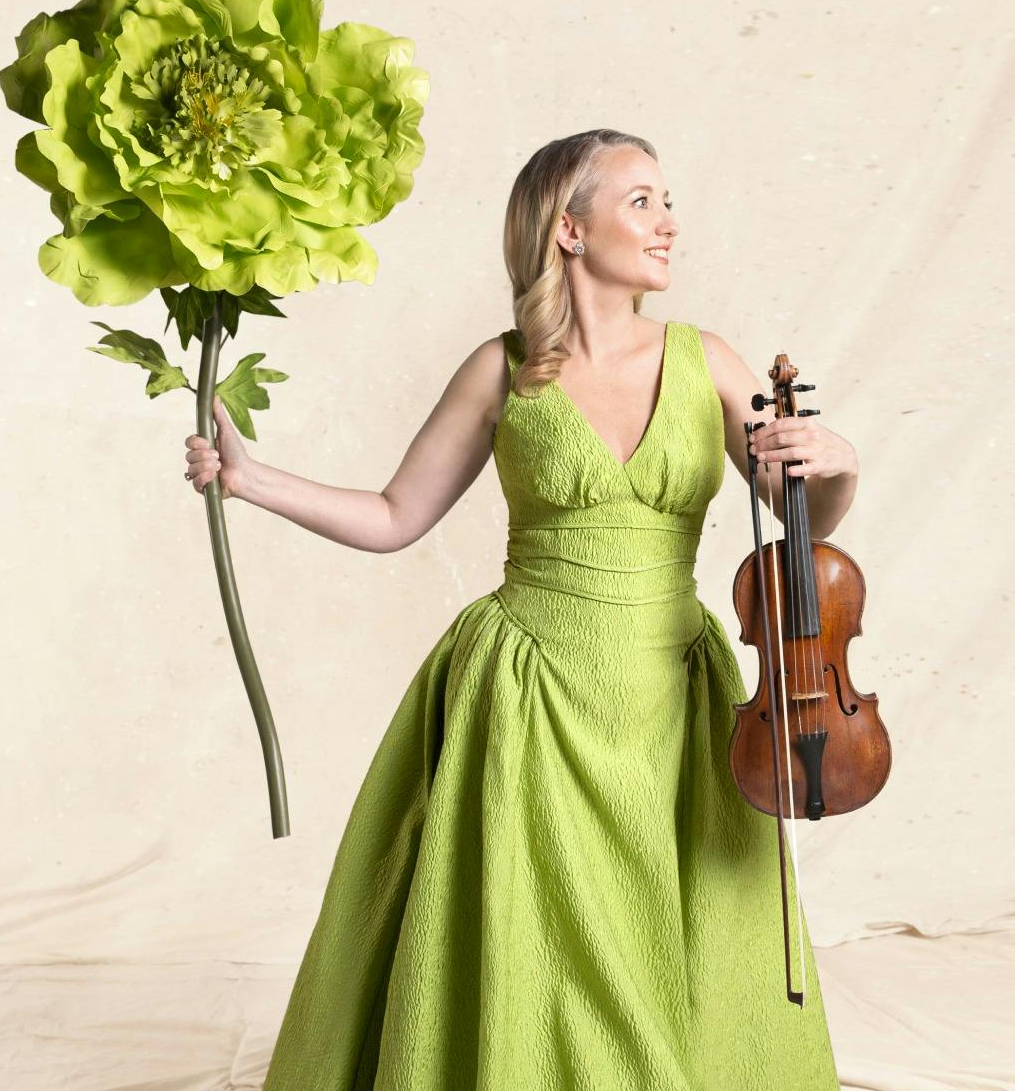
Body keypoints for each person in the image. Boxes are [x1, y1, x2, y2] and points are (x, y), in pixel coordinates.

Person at [183, 128, 859, 1089]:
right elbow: (392, 515)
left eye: (668, 202)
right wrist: (252, 483)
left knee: (681, 934)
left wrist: (836, 469)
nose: (669, 224)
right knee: (543, 949)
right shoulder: (501, 370)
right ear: (569, 229)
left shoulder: (708, 359)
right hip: (531, 690)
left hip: (673, 693)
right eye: (641, 201)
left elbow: (802, 529)